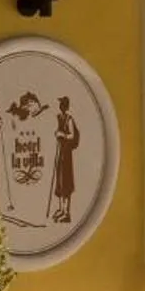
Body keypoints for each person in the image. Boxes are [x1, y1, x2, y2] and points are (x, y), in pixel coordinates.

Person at [50, 95, 80, 224]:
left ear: (65, 106)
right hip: (61, 152)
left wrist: (62, 134)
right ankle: (61, 209)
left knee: (66, 183)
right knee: (60, 182)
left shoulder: (69, 119)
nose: (60, 106)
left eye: (62, 104)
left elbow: (72, 135)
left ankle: (67, 212)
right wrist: (57, 133)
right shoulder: (60, 118)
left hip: (66, 154)